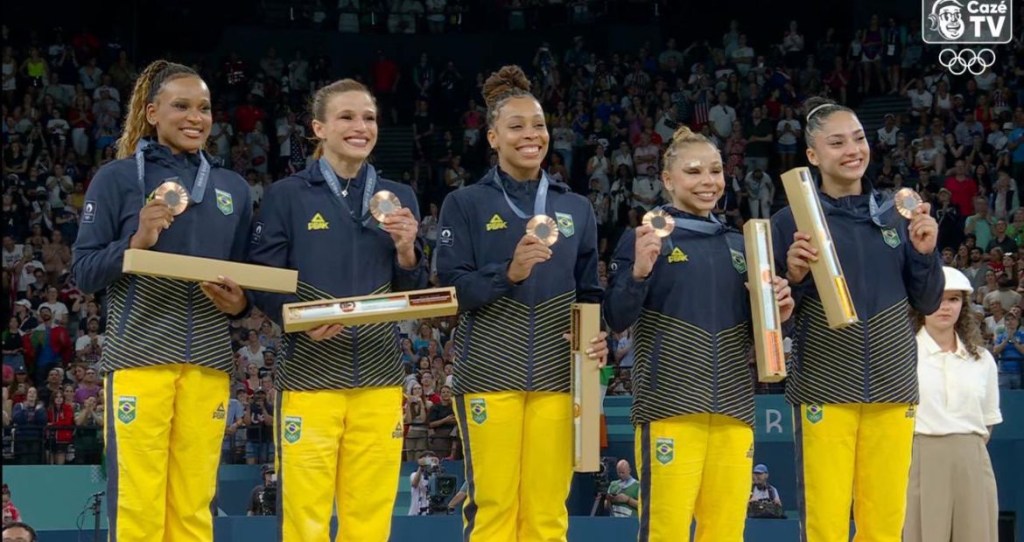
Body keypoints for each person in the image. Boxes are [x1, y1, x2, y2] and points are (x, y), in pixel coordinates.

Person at [70, 60, 252, 542]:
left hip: (210, 362)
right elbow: (84, 271)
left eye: (205, 108)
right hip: (139, 358)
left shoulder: (232, 187)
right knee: (139, 501)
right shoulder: (116, 179)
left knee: (195, 503)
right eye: (181, 106)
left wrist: (239, 304)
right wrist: (137, 241)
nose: (196, 117)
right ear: (152, 112)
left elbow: (245, 282)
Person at [247, 78, 426, 542]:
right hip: (309, 378)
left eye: (368, 118)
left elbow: (412, 285)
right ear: (318, 128)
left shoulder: (398, 196)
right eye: (346, 117)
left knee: (370, 519)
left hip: (380, 378)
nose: (360, 126)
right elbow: (262, 277)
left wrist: (408, 249)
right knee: (304, 518)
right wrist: (301, 318)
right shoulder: (288, 194)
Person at [434, 65, 608, 542]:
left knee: (548, 510)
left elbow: (590, 291)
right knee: (494, 507)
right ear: (492, 137)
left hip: (558, 376)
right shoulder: (465, 204)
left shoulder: (576, 208)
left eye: (539, 126)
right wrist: (507, 273)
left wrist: (596, 336)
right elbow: (451, 291)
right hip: (489, 373)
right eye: (517, 126)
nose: (531, 135)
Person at [604, 126, 794, 541]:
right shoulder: (645, 237)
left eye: (715, 170)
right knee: (665, 531)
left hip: (734, 409)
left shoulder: (742, 244)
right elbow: (616, 317)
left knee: (726, 532)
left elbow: (763, 334)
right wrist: (637, 272)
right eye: (694, 172)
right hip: (668, 408)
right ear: (668, 180)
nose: (708, 182)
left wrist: (780, 309)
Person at [771, 96, 944, 542]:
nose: (853, 149)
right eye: (837, 142)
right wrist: (793, 276)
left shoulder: (897, 214)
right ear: (813, 156)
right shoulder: (790, 221)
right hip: (824, 390)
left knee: (885, 526)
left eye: (859, 138)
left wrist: (925, 255)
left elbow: (927, 303)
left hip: (893, 387)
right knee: (825, 525)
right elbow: (775, 323)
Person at [904, 267, 1002, 542]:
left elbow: (988, 420)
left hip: (972, 457)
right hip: (919, 454)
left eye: (953, 299)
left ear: (964, 305)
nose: (944, 307)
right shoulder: (903, 354)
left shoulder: (982, 360)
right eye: (936, 298)